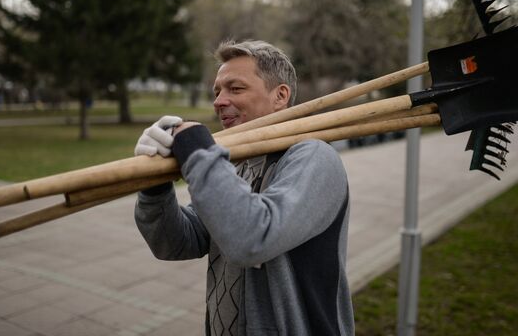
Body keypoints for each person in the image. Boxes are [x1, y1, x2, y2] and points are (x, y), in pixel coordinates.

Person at [134, 40, 354, 335]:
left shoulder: (314, 158)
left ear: (280, 96)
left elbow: (252, 240)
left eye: (235, 89)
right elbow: (177, 243)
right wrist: (154, 185)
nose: (219, 101)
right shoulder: (236, 164)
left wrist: (198, 149)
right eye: (217, 92)